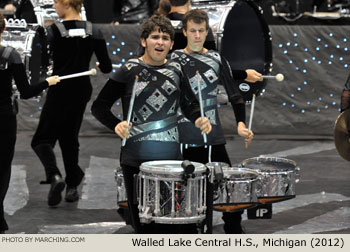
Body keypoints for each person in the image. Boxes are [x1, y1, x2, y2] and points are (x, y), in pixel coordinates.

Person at [91, 14, 212, 234]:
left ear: (172, 44)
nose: (160, 42)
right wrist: (116, 125)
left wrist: (198, 118)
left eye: (165, 38)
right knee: (144, 228)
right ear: (144, 41)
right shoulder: (129, 70)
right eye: (155, 37)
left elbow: (190, 104)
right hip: (135, 160)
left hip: (171, 162)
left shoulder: (177, 70)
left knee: (172, 226)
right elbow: (99, 106)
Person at [170, 9, 258, 234]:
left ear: (207, 31)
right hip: (183, 136)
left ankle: (233, 229)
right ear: (184, 32)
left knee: (230, 186)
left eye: (201, 31)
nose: (197, 35)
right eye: (193, 31)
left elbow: (234, 94)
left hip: (213, 136)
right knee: (185, 190)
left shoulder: (216, 58)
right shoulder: (174, 59)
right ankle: (190, 230)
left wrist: (240, 124)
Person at [31, 0, 112, 207]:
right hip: (81, 89)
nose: (54, 6)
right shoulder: (94, 30)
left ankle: (55, 175)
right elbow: (106, 67)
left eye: (56, 2)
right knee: (69, 137)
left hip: (59, 88)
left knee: (41, 140)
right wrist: (99, 63)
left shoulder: (53, 31)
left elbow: (43, 63)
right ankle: (72, 186)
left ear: (66, 3)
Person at [0, 12, 60, 234]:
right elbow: (25, 92)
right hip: (4, 118)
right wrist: (47, 82)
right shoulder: (10, 54)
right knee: (3, 167)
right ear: (4, 30)